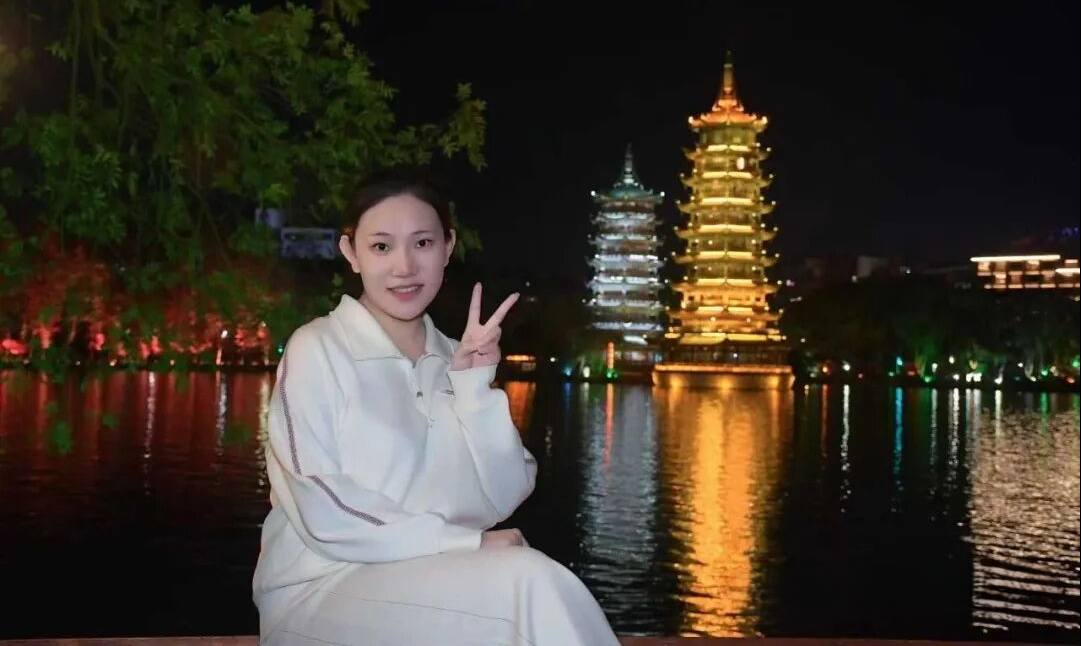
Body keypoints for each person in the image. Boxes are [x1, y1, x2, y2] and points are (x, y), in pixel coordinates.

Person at [252, 170, 620, 645]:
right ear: (351, 253)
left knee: (527, 583)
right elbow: (320, 505)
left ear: (448, 247)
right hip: (318, 589)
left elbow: (504, 494)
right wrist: (465, 542)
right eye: (381, 246)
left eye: (422, 243)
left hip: (427, 579)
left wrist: (474, 388)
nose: (404, 266)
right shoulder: (319, 348)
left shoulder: (453, 358)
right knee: (528, 582)